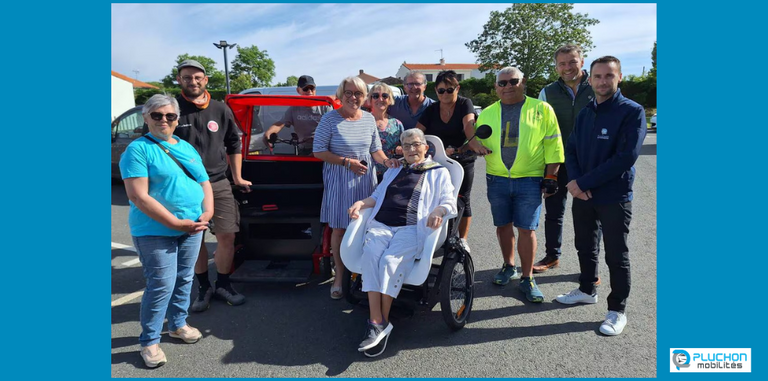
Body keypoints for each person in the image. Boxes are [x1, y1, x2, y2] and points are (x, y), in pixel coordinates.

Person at [555, 56, 646, 336]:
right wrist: (574, 181)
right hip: (583, 195)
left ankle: (617, 310)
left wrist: (582, 182)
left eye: (609, 76)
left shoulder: (631, 111)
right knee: (585, 245)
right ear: (589, 79)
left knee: (616, 254)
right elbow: (570, 148)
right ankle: (586, 289)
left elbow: (625, 157)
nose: (603, 81)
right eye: (597, 76)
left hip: (614, 195)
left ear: (619, 78)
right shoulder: (586, 111)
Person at [120, 94, 213, 368]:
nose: (164, 120)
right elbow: (138, 196)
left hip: (193, 227)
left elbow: (205, 183)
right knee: (161, 284)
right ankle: (149, 341)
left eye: (169, 116)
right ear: (146, 118)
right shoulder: (137, 150)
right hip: (154, 231)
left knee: (184, 278)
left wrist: (207, 213)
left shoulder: (185, 147)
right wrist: (174, 223)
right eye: (157, 115)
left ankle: (177, 324)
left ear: (177, 119)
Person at [348, 128, 457, 357]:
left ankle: (378, 322)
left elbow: (448, 200)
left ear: (426, 148)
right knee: (370, 256)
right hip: (381, 225)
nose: (411, 149)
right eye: (406, 146)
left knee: (389, 261)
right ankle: (378, 322)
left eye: (416, 144)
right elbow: (377, 196)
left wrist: (438, 209)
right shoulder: (394, 170)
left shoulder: (439, 172)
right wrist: (361, 203)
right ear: (401, 149)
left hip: (411, 227)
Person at [475, 66, 564, 302]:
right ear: (495, 87)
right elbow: (475, 139)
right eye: (502, 83)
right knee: (503, 225)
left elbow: (554, 144)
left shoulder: (541, 109)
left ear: (523, 82)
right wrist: (472, 147)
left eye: (513, 81)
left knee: (527, 228)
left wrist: (551, 176)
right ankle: (508, 266)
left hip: (530, 178)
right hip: (497, 178)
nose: (507, 87)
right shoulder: (487, 112)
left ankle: (527, 278)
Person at [172, 60, 252, 311]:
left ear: (206, 80)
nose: (192, 82)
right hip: (185, 186)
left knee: (227, 235)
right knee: (195, 236)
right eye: (187, 77)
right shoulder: (170, 109)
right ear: (179, 80)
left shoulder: (220, 109)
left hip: (218, 182)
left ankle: (223, 284)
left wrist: (237, 177)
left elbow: (234, 144)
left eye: (197, 77)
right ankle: (204, 286)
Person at [313, 76, 401, 299]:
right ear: (341, 94)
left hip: (365, 182)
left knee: (364, 230)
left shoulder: (369, 119)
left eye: (358, 94)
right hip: (340, 181)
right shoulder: (329, 119)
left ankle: (362, 276)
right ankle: (340, 277)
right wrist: (346, 162)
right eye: (349, 93)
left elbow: (375, 150)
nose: (353, 97)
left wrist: (387, 162)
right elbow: (318, 152)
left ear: (364, 97)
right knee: (340, 230)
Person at [534, 44, 596, 274]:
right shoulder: (547, 92)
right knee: (554, 213)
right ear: (556, 66)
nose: (567, 67)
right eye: (562, 63)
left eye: (572, 62)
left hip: (589, 164)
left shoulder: (597, 86)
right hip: (557, 162)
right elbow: (539, 130)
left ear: (582, 61)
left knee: (589, 217)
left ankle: (590, 267)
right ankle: (552, 256)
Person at [415, 70, 477, 252]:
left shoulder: (465, 103)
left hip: (461, 159)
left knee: (462, 198)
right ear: (436, 91)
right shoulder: (432, 109)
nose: (445, 94)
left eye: (450, 90)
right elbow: (418, 132)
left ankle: (463, 239)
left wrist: (474, 144)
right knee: (434, 198)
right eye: (441, 91)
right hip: (437, 161)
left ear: (457, 88)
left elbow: (468, 125)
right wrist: (409, 145)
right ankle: (435, 236)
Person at [262, 75, 333, 154]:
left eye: (312, 88)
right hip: (303, 150)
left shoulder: (325, 107)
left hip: (323, 149)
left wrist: (319, 149)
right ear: (298, 90)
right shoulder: (294, 109)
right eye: (305, 89)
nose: (309, 91)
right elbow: (280, 123)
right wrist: (269, 132)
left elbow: (332, 128)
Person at [368, 82, 404, 181]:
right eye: (375, 96)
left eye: (385, 96)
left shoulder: (397, 124)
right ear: (370, 99)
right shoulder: (364, 122)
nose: (380, 99)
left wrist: (402, 147)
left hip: (392, 174)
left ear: (390, 100)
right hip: (368, 176)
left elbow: (406, 146)